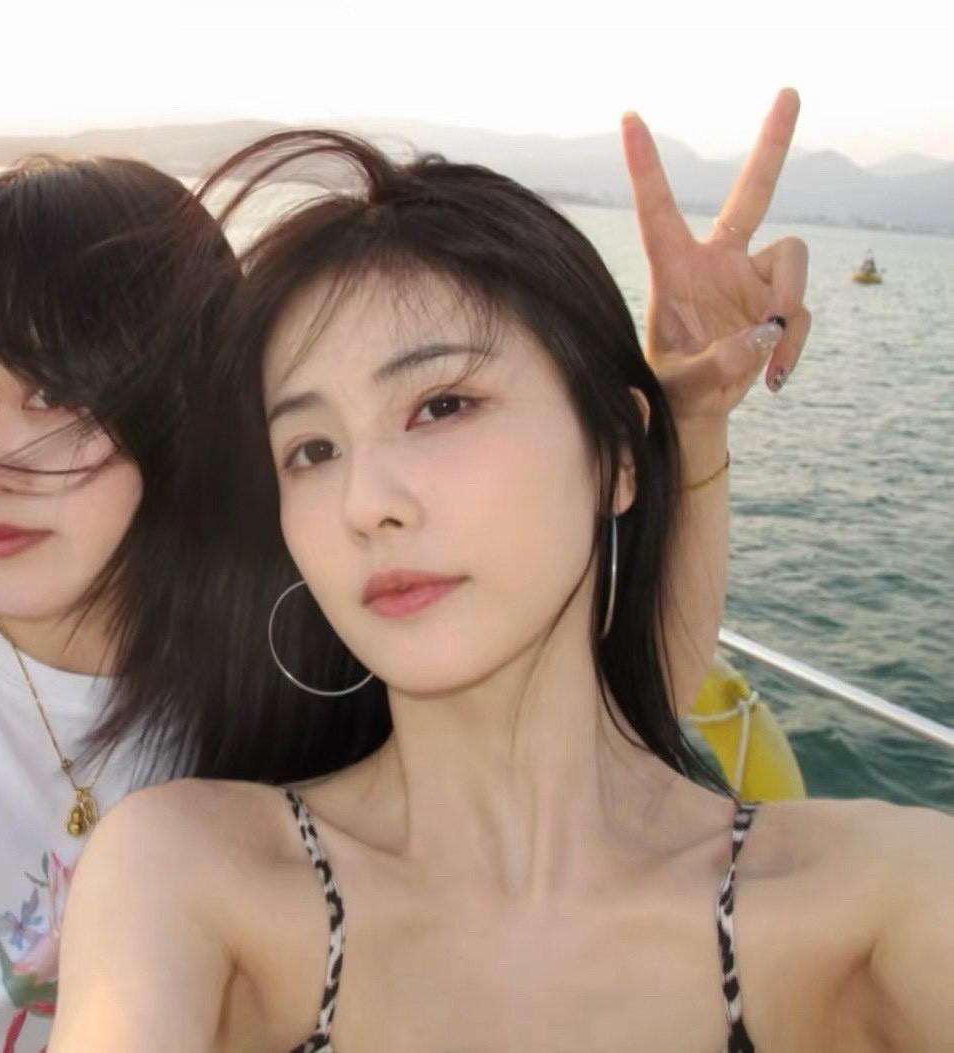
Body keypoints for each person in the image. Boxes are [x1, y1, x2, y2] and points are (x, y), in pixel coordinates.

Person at [0, 97, 801, 1053]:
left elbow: (606, 723)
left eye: (50, 395)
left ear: (182, 404)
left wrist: (687, 426)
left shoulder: (295, 646)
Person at [50, 92, 954, 1052]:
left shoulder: (881, 904)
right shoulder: (189, 880)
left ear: (615, 453)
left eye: (441, 405)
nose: (366, 501)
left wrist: (691, 427)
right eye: (311, 449)